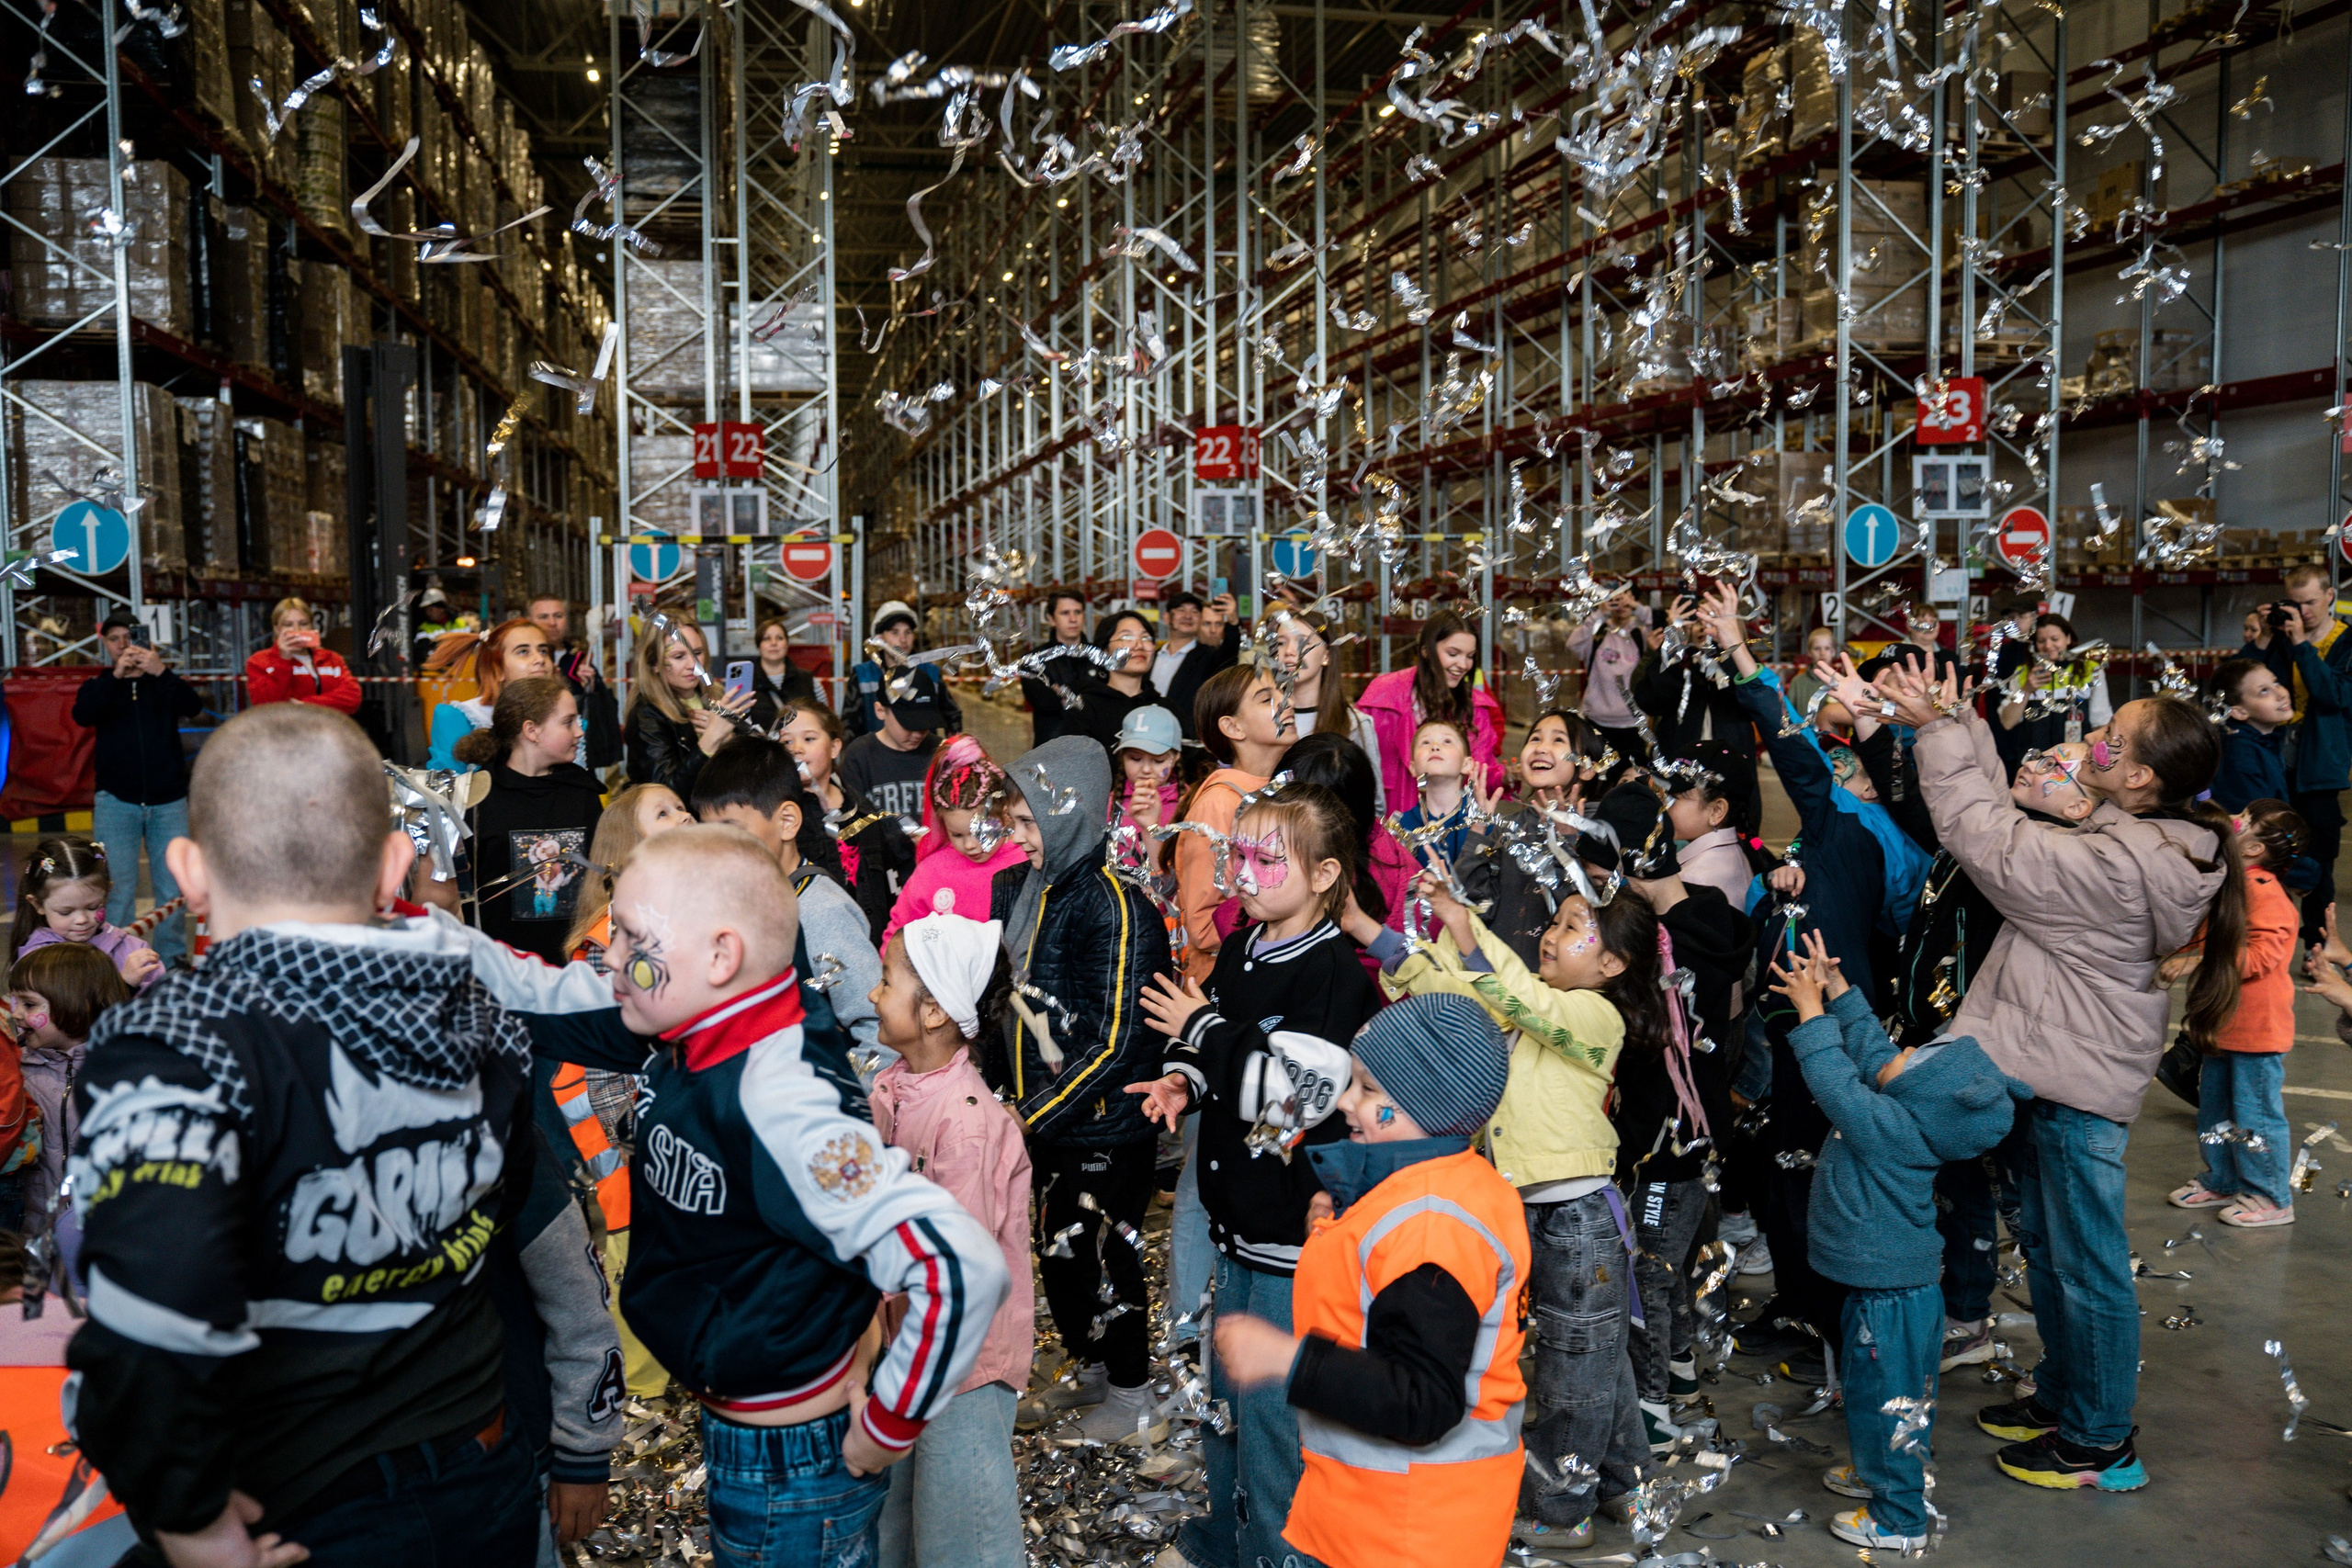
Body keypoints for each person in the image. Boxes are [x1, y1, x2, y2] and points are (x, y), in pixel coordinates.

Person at [67, 702, 547, 1563]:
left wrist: (191, 1520)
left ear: (188, 872)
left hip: (298, 1507)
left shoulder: (176, 1040)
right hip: (489, 1470)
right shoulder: (479, 1013)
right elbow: (501, 1207)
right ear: (395, 863)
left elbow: (148, 1315)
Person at [455, 824, 1010, 1568]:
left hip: (795, 1467)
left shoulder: (787, 1104)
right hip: (749, 1433)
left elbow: (957, 1265)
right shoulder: (696, 1013)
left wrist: (886, 1426)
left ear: (721, 954)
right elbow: (550, 992)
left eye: (630, 937)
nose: (612, 958)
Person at [1891, 669, 2234, 1492]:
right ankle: (2062, 1395)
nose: (2096, 739)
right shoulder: (2137, 833)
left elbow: (1987, 838)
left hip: (2078, 1088)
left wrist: (1938, 732)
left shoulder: (2119, 867)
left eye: (2115, 735)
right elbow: (2012, 809)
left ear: (2143, 776)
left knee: (2088, 1265)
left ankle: (2099, 1441)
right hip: (2052, 1067)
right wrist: (1959, 717)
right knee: (2049, 1249)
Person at [1343, 877, 1642, 1549]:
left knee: (1574, 1369)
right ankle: (1627, 1480)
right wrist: (1370, 928)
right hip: (1531, 1213)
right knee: (1597, 1357)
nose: (1551, 936)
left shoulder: (1597, 1016)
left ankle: (1561, 1510)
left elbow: (1516, 998)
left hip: (1579, 1218)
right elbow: (1454, 996)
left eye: (1572, 927)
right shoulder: (1519, 1005)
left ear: (1612, 964)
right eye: (1555, 922)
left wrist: (1467, 927)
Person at [1127, 783, 1381, 1568]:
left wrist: (1201, 1028)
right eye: (1241, 853)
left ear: (1326, 872)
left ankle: (1279, 1553)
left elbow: (1295, 1098)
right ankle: (1225, 1538)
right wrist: (1181, 1080)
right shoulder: (1243, 944)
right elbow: (1217, 1060)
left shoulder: (1335, 977)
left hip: (1292, 1238)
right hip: (1237, 1227)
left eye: (1269, 858)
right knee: (1224, 1402)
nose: (1246, 870)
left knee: (1274, 1416)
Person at [1211, 994, 1528, 1568]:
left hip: (1408, 1531)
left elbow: (1422, 1400)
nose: (1346, 1101)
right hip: (1378, 1515)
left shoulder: (1433, 1226)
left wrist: (1286, 1358)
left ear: (1422, 1109)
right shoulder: (1444, 1185)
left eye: (1367, 1089)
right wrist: (1341, 1220)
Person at [1769, 932, 2030, 1552]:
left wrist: (1810, 1013)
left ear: (1923, 1096)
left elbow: (1836, 1079)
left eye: (1914, 1056)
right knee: (1887, 1394)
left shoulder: (1889, 1124)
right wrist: (1839, 991)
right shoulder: (1912, 1111)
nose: (1903, 1048)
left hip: (1890, 1297)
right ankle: (1881, 1473)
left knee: (1886, 1398)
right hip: (1895, 1289)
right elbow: (1872, 1050)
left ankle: (1899, 1517)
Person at [988, 738, 1172, 1444]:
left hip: (1104, 1125)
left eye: (1031, 823)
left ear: (1069, 818)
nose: (1018, 836)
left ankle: (1131, 1390)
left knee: (1109, 1252)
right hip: (1050, 1122)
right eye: (1015, 822)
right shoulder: (1031, 889)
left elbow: (1118, 1039)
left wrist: (1028, 1113)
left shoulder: (1114, 907)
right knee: (1060, 1250)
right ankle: (1090, 1364)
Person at [1579, 784, 1750, 1448]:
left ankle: (1651, 1412)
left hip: (1666, 1142)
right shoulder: (1713, 913)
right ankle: (1678, 1377)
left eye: (1598, 879)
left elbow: (1650, 1055)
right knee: (1669, 1265)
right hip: (1700, 1130)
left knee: (1647, 1271)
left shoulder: (1662, 949)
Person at [867, 913, 1031, 1568]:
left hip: (961, 1366)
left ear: (933, 1010)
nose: (874, 994)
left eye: (885, 980)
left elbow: (953, 1269)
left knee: (964, 1532)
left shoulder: (962, 1126)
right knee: (900, 1519)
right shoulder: (893, 1088)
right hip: (906, 1349)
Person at [692, 737, 885, 1067]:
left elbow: (878, 1028)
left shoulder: (821, 911)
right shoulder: (730, 899)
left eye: (732, 830)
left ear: (787, 822)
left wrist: (841, 1105)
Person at [2165, 798, 2304, 1228]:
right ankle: (2222, 1178)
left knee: (2255, 1116)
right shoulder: (2232, 883)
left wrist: (2202, 959)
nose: (2232, 820)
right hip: (2222, 1025)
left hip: (2256, 1030)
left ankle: (2270, 1196)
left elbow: (2264, 954)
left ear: (2253, 849)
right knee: (2215, 1111)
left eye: (2244, 820)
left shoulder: (2265, 892)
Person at [74, 612, 202, 961]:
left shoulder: (162, 682)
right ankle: (115, 958)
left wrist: (159, 670)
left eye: (131, 638)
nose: (124, 646)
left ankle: (172, 957)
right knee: (116, 886)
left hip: (168, 801)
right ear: (105, 645)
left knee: (171, 887)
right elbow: (81, 715)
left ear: (147, 642)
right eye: (115, 640)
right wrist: (116, 678)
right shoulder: (100, 684)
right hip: (116, 801)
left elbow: (194, 707)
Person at [453, 676, 605, 964]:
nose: (579, 731)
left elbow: (602, 872)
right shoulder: (478, 795)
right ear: (532, 731)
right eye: (568, 722)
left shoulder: (582, 791)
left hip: (574, 964)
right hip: (501, 966)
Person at [2242, 566, 2352, 942]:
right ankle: (2265, 931)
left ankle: (2318, 944)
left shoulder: (2346, 643)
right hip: (2275, 760)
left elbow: (2332, 694)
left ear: (2330, 597)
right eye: (2296, 603)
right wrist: (2265, 638)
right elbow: (2246, 684)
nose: (2303, 611)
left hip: (2320, 767)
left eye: (2310, 602)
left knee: (2318, 862)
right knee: (2268, 849)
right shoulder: (2285, 638)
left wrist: (2302, 644)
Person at [8, 941, 130, 1283]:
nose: (16, 1013)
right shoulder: (19, 1073)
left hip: (106, 1238)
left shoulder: (122, 1074)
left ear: (77, 1005)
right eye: (16, 1001)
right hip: (33, 1232)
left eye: (29, 1004)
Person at [1176, 664, 1297, 981]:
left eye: (1283, 692)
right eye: (1265, 699)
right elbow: (1203, 926)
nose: (1287, 703)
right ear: (1232, 727)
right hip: (1228, 983)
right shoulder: (1219, 803)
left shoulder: (1283, 788)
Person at [782, 700, 912, 941]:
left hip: (871, 943)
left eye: (809, 739)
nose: (796, 749)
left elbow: (885, 886)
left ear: (834, 748)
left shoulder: (862, 809)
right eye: (787, 742)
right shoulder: (782, 817)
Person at [1357, 611, 1505, 818]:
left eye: (1470, 656)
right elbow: (1358, 766)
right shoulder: (1383, 696)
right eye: (1453, 654)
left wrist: (1510, 777)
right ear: (1426, 651)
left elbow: (1483, 773)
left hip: (1452, 826)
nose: (1463, 664)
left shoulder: (1475, 707)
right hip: (1391, 822)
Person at [882, 736, 1027, 946]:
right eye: (957, 835)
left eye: (980, 832)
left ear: (1005, 814)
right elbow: (899, 937)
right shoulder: (931, 872)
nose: (969, 845)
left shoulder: (1028, 859)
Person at [1272, 606, 1385, 816]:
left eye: (1302, 642)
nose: (1289, 651)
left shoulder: (1355, 724)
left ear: (1327, 655)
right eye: (1281, 642)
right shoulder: (1267, 719)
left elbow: (1375, 806)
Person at [626, 616, 755, 798]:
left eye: (697, 653)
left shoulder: (716, 697)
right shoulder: (646, 714)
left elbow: (758, 765)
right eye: (679, 656)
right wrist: (711, 738)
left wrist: (729, 739)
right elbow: (666, 794)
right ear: (653, 663)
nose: (693, 665)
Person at [12, 834, 162, 988]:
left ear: (106, 894)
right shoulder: (36, 962)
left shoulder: (131, 948)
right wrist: (124, 985)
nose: (81, 919)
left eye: (93, 907)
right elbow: (64, 1010)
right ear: (37, 904)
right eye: (65, 912)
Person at [427, 618, 559, 772]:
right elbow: (444, 790)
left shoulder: (571, 721)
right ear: (498, 669)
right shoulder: (460, 718)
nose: (540, 659)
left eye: (543, 651)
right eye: (523, 652)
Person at [1993, 612, 2114, 774]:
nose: (2048, 646)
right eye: (2041, 641)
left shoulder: (2091, 670)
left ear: (2068, 639)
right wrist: (2027, 689)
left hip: (2075, 766)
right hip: (2033, 766)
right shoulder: (2023, 673)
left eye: (2055, 639)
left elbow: (2101, 723)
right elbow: (2008, 722)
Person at [1664, 740, 1770, 909]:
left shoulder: (1694, 879)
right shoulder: (1736, 851)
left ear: (1716, 811)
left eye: (1674, 798)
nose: (1663, 806)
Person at [847, 601, 964, 739]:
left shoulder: (931, 673)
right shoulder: (862, 675)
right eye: (895, 632)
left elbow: (952, 716)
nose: (903, 640)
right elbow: (849, 726)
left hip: (924, 758)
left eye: (908, 632)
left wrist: (952, 751)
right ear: (879, 639)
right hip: (876, 759)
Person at [531, 594, 624, 771]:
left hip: (575, 758)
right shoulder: (524, 665)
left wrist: (592, 686)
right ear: (529, 621)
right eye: (543, 617)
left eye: (558, 616)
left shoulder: (580, 661)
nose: (552, 623)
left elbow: (604, 714)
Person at [1061, 609, 1166, 760]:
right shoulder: (1084, 709)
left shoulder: (1166, 708)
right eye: (1127, 637)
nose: (1139, 645)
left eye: (1146, 638)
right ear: (1104, 652)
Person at [1567, 589, 1656, 763]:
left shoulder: (1641, 634)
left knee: (1630, 777)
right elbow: (1573, 644)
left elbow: (1662, 628)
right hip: (1596, 721)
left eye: (1626, 597)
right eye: (1615, 599)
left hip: (1632, 724)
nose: (1621, 603)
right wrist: (1599, 614)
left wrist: (1637, 608)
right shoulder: (1598, 632)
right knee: (1596, 780)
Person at [839, 689, 945, 829]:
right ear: (880, 711)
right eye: (908, 725)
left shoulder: (943, 752)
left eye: (924, 725)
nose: (917, 734)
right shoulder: (859, 755)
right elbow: (851, 819)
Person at [244, 595, 360, 714]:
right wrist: (283, 660)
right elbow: (266, 705)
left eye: (303, 623)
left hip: (327, 729)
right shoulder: (259, 661)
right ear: (277, 629)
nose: (297, 630)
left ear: (311, 626)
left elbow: (352, 699)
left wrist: (306, 705)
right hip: (283, 731)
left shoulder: (332, 658)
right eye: (288, 625)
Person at [2207, 657, 2294, 812]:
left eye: (2276, 683)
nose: (2281, 694)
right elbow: (2256, 818)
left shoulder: (2264, 740)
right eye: (2264, 691)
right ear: (2240, 712)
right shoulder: (2241, 753)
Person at [1151, 591, 1240, 740]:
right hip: (1146, 734)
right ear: (1166, 618)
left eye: (1194, 611)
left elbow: (1229, 655)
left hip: (1185, 740)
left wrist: (1233, 624)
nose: (1188, 616)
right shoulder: (1152, 656)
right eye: (1181, 610)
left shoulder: (1209, 657)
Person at [1393, 718, 1480, 865]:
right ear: (1413, 767)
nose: (1435, 747)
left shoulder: (1482, 824)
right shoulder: (1401, 827)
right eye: (1426, 742)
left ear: (1466, 764)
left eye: (1447, 741)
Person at [1019, 590, 1096, 747]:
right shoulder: (1034, 660)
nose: (1073, 619)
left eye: (1077, 612)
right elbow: (1045, 703)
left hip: (1094, 746)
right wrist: (1086, 695)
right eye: (1065, 613)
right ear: (1051, 619)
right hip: (1051, 748)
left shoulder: (1099, 656)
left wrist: (1061, 691)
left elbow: (1105, 703)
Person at [744, 615, 822, 732]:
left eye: (779, 638)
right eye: (767, 639)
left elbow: (824, 719)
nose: (773, 643)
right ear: (758, 645)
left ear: (787, 644)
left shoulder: (808, 680)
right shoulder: (746, 683)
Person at [1785, 626, 1843, 716]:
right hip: (1803, 730)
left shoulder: (1840, 682)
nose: (1822, 653)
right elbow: (1788, 714)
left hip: (1831, 731)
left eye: (1827, 648)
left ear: (1833, 652)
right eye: (1817, 648)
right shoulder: (1797, 682)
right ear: (1809, 652)